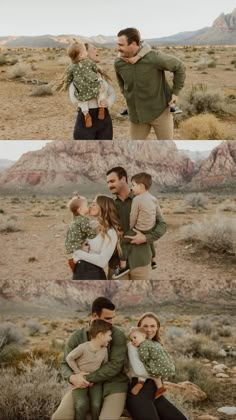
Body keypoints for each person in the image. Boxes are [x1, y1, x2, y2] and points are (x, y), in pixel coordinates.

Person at [51, 297, 128, 420]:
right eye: (108, 318)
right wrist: (72, 377)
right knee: (59, 418)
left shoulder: (117, 335)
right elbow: (65, 363)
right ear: (95, 316)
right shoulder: (76, 337)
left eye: (113, 317)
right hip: (82, 386)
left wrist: (85, 378)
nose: (112, 322)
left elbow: (114, 366)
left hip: (113, 385)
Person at [114, 27, 186, 140]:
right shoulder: (118, 63)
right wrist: (127, 95)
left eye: (121, 45)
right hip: (137, 116)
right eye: (117, 44)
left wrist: (175, 92)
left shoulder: (154, 57)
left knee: (167, 149)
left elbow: (179, 67)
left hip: (160, 112)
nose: (117, 48)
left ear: (133, 44)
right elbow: (121, 82)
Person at [106, 167, 167, 280]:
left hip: (141, 261)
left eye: (112, 181)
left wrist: (146, 238)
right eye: (108, 182)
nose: (109, 185)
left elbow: (162, 225)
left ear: (123, 179)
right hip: (116, 263)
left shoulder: (145, 200)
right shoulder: (109, 205)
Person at [126, 312, 188, 420]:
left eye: (152, 326)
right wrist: (160, 372)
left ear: (158, 327)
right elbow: (139, 371)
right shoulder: (133, 345)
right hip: (139, 393)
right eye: (145, 326)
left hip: (154, 394)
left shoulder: (155, 345)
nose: (149, 330)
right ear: (139, 327)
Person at [65, 319, 112, 420]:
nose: (111, 338)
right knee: (81, 404)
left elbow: (105, 366)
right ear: (100, 335)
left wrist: (95, 378)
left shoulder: (104, 350)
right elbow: (69, 358)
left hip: (95, 382)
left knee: (96, 404)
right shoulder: (83, 348)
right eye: (109, 335)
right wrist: (78, 373)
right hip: (80, 381)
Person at [71, 195, 123, 280]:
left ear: (103, 208)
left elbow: (102, 261)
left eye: (94, 204)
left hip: (93, 275)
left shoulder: (111, 232)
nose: (90, 206)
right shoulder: (92, 225)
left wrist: (77, 252)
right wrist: (77, 207)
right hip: (78, 272)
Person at [73, 43, 115, 140]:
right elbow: (74, 99)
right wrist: (95, 90)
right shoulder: (77, 73)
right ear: (85, 53)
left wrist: (108, 102)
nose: (98, 51)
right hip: (85, 120)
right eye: (94, 49)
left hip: (104, 120)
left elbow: (112, 94)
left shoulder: (101, 74)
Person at [128, 326, 175, 398]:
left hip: (156, 365)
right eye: (131, 340)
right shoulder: (151, 343)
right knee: (155, 375)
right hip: (165, 364)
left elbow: (144, 357)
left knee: (151, 370)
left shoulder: (142, 346)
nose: (133, 341)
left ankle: (142, 382)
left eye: (135, 338)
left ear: (143, 335)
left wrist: (142, 358)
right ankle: (159, 387)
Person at [65, 195, 97, 272]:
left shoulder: (75, 220)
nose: (88, 207)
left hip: (72, 244)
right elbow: (88, 231)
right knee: (84, 253)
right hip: (78, 244)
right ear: (80, 209)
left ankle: (75, 261)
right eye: (86, 206)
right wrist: (95, 234)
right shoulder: (83, 220)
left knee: (78, 254)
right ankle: (75, 262)